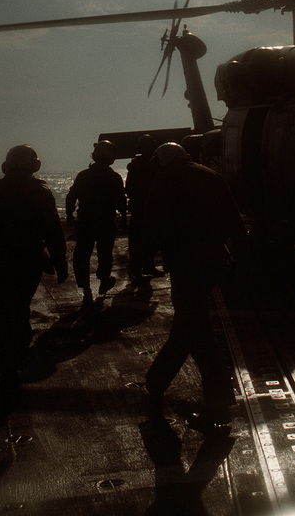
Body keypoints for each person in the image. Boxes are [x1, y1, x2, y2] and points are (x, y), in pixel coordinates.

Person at [143, 142, 248, 434]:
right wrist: (242, 258)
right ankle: (156, 381)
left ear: (162, 160)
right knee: (188, 324)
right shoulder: (210, 175)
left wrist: (146, 259)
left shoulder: (164, 180)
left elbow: (152, 223)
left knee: (199, 332)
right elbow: (234, 219)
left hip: (186, 262)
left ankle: (219, 405)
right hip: (215, 259)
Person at [0, 145, 68, 396]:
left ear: (6, 166)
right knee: (20, 308)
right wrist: (60, 262)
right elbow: (53, 231)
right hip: (30, 261)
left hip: (1, 260)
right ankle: (19, 357)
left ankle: (6, 364)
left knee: (1, 311)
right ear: (34, 165)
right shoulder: (41, 191)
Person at [65, 139, 127, 308]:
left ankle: (85, 288)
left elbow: (72, 196)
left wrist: (69, 214)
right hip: (106, 221)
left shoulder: (84, 175)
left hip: (86, 221)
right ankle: (104, 279)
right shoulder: (114, 177)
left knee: (82, 255)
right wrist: (124, 217)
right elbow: (121, 200)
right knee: (105, 253)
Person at [125, 134, 159, 280]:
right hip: (141, 207)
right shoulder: (138, 165)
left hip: (148, 207)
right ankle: (137, 267)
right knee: (138, 239)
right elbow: (130, 188)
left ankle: (147, 266)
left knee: (150, 239)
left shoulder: (154, 164)